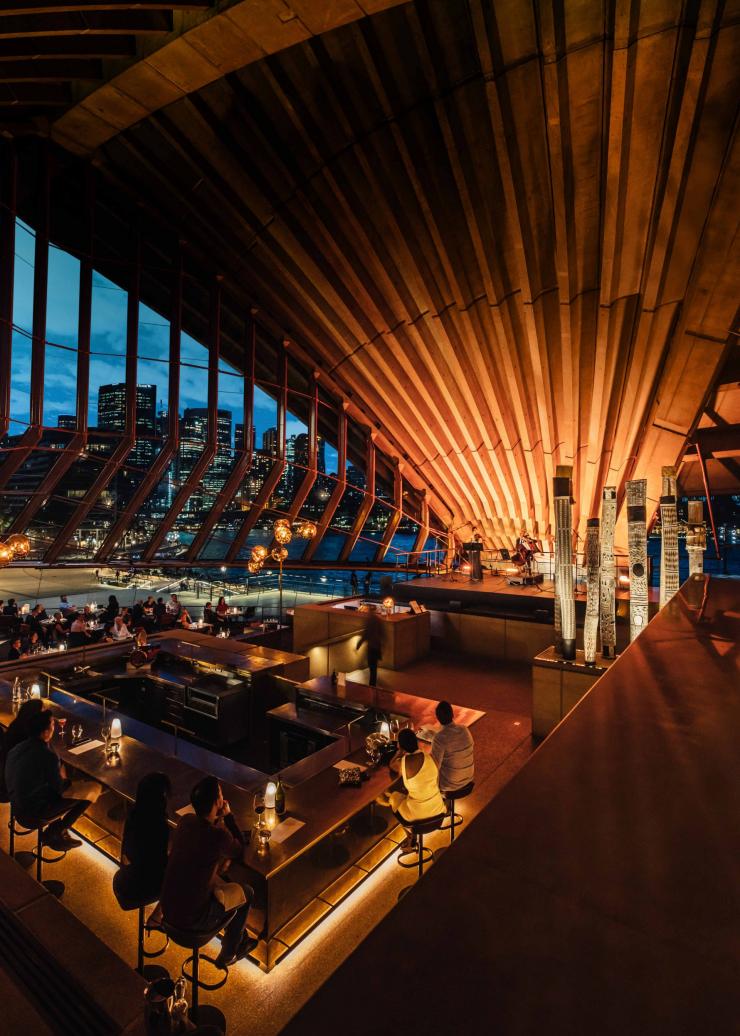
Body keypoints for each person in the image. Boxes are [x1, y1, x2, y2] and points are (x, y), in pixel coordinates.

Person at [160, 776, 255, 968]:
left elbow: (203, 844)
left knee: (223, 880)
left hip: (168, 913)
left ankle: (240, 935)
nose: (223, 798)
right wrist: (228, 816)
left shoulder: (186, 821)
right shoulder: (218, 835)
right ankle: (229, 953)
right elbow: (238, 849)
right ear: (217, 802)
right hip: (192, 922)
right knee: (247, 893)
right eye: (220, 794)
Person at [5, 710, 92, 851]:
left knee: (51, 786)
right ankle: (57, 831)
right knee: (91, 791)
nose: (55, 726)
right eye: (52, 724)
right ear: (45, 732)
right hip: (33, 815)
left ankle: (56, 830)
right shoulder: (47, 755)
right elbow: (62, 790)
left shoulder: (17, 748)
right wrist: (76, 783)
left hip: (16, 807)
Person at [378, 728, 445, 847]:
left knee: (386, 797)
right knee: (397, 796)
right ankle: (411, 835)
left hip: (419, 814)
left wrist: (399, 752)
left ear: (401, 746)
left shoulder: (405, 762)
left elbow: (392, 764)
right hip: (438, 808)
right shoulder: (429, 756)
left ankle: (410, 835)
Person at [114, 772, 171, 907]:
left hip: (123, 881)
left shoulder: (133, 816)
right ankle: (167, 917)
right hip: (141, 890)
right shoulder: (159, 826)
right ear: (162, 798)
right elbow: (159, 864)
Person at [430, 701, 475, 795]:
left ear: (437, 718)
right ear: (452, 714)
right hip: (468, 779)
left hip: (450, 786)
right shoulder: (464, 729)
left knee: (425, 775)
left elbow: (434, 767)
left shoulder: (439, 738)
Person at [357, 610, 382, 686]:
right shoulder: (378, 620)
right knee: (374, 666)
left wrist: (359, 644)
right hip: (377, 645)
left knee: (372, 665)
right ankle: (372, 683)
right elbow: (382, 633)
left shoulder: (369, 621)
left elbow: (365, 634)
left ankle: (372, 684)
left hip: (371, 646)